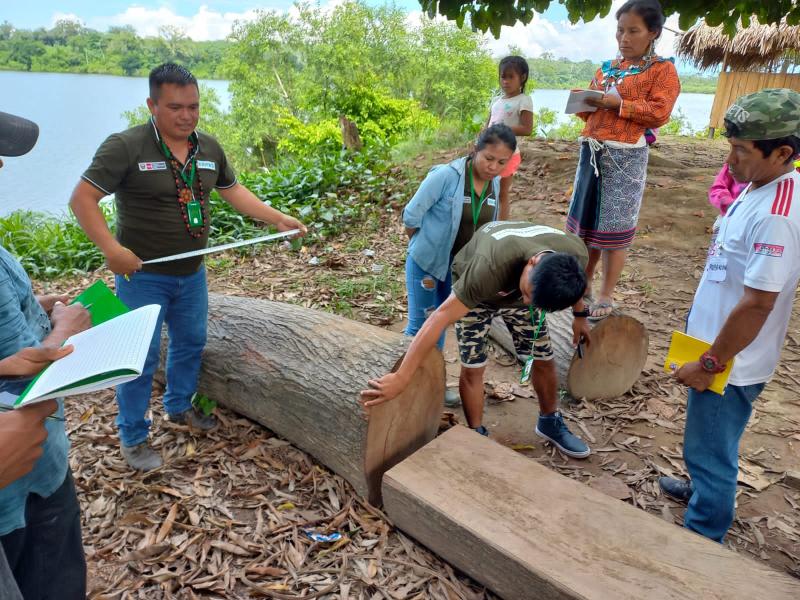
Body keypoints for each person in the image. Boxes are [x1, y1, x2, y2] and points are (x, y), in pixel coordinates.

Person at [69, 63, 307, 471]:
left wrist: (277, 218)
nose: (187, 115)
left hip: (192, 274)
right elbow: (82, 199)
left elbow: (234, 192)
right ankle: (133, 435)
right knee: (138, 358)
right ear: (152, 105)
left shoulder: (209, 148)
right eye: (175, 106)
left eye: (193, 106)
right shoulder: (126, 146)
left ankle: (179, 406)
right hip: (141, 276)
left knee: (191, 341)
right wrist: (111, 249)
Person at [658, 89, 800, 543]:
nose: (730, 159)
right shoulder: (760, 185)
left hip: (730, 361)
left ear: (782, 153)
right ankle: (703, 490)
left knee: (711, 448)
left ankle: (703, 537)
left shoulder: (779, 215)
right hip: (715, 345)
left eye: (741, 150)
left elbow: (759, 304)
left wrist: (710, 363)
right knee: (708, 440)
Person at [362, 221, 593, 458]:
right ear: (532, 262)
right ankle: (476, 433)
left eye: (532, 301)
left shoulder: (574, 254)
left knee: (543, 358)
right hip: (478, 292)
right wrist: (401, 377)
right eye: (527, 294)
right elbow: (439, 319)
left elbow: (575, 284)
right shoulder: (488, 266)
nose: (526, 302)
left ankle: (549, 421)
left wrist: (579, 315)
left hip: (519, 280)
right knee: (473, 366)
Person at [0, 110, 91, 599]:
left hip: (40, 464)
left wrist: (33, 304)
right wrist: (61, 335)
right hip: (17, 493)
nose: (0, 168)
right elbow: (29, 373)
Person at [566, 0, 680, 321]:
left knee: (614, 229)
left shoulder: (662, 71)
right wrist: (584, 103)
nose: (623, 38)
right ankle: (584, 283)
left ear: (653, 33)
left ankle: (605, 294)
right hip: (592, 152)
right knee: (587, 225)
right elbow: (592, 109)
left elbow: (660, 113)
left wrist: (621, 104)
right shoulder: (607, 68)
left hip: (625, 157)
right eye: (620, 30)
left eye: (633, 31)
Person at [403, 124, 515, 407]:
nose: (493, 167)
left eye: (502, 162)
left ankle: (432, 391)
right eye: (488, 158)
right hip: (427, 265)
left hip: (459, 272)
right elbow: (411, 216)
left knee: (440, 326)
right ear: (475, 149)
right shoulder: (445, 176)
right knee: (421, 326)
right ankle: (402, 388)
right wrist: (424, 248)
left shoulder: (496, 182)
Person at [486, 56, 533, 217]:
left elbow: (527, 129)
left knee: (502, 193)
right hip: (488, 153)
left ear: (523, 77)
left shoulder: (523, 100)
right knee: (485, 191)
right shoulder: (496, 101)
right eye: (503, 76)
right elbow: (487, 126)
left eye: (510, 77)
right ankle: (484, 223)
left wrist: (503, 128)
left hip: (508, 155)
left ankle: (501, 226)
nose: (505, 81)